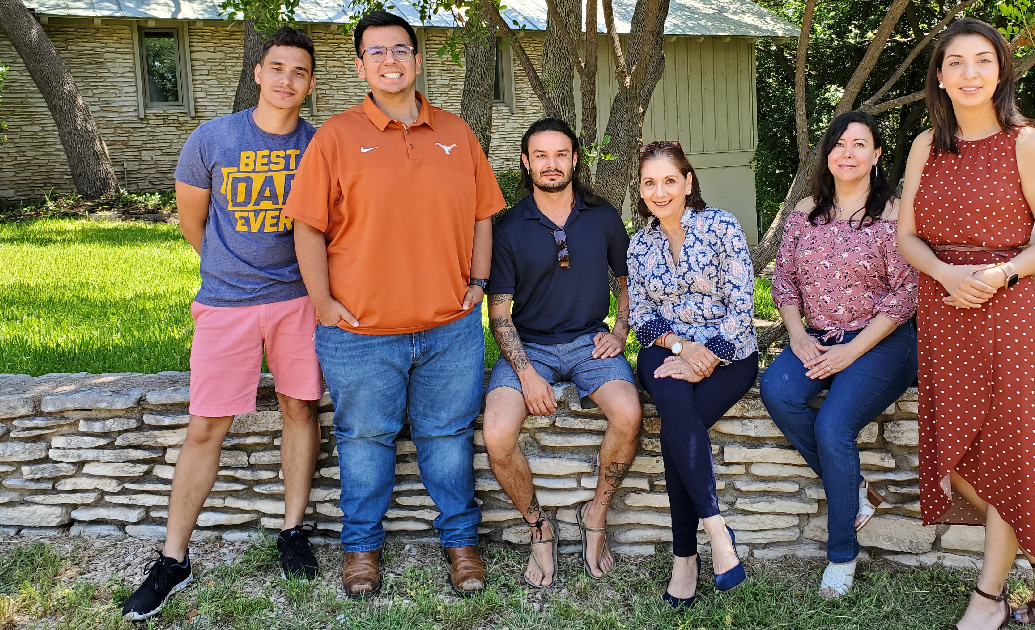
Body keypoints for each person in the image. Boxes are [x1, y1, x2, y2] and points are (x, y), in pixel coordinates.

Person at [282, 10, 506, 598]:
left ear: (417, 58)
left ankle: (461, 543)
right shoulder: (334, 138)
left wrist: (478, 283)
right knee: (363, 441)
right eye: (376, 52)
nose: (390, 61)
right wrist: (323, 303)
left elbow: (484, 215)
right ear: (360, 66)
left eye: (400, 50)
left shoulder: (459, 133)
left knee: (448, 439)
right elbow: (307, 228)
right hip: (359, 332)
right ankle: (361, 551)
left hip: (449, 328)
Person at [120, 27, 323, 621]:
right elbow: (193, 223)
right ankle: (173, 558)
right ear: (258, 73)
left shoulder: (320, 146)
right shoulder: (212, 138)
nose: (287, 80)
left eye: (300, 72)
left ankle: (291, 531)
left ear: (310, 85)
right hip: (225, 305)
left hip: (297, 301)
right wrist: (230, 272)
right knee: (206, 425)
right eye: (277, 68)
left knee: (299, 410)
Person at [896, 18, 1035, 630]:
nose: (970, 73)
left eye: (982, 61)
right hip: (945, 313)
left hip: (1004, 313)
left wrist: (999, 274)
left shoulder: (1027, 144)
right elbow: (907, 238)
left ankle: (990, 597)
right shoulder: (926, 145)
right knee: (956, 456)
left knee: (1006, 455)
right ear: (940, 77)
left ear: (1000, 70)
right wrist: (945, 275)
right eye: (955, 62)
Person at [759, 111, 918, 599]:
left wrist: (850, 352)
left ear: (876, 155)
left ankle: (842, 556)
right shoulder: (806, 211)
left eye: (859, 144)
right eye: (839, 143)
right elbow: (783, 280)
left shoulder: (893, 213)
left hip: (883, 341)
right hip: (818, 334)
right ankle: (856, 490)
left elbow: (906, 293)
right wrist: (798, 337)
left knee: (833, 425)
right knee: (778, 390)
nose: (847, 152)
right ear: (827, 154)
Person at [482, 118, 643, 587]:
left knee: (630, 414)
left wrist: (621, 331)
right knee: (496, 433)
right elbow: (499, 315)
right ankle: (539, 528)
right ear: (526, 163)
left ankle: (596, 517)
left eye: (560, 155)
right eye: (541, 156)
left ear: (575, 159)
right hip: (529, 346)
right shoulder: (509, 227)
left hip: (591, 341)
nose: (551, 165)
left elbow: (627, 282)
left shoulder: (604, 216)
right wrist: (529, 375)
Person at [627, 141, 758, 607]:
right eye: (649, 183)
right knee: (674, 401)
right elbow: (641, 315)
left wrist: (707, 354)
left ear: (687, 182)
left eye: (668, 180)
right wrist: (683, 348)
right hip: (665, 350)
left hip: (730, 354)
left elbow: (744, 306)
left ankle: (686, 557)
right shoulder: (639, 243)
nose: (659, 191)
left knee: (676, 429)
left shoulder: (721, 226)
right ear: (640, 190)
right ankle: (718, 535)